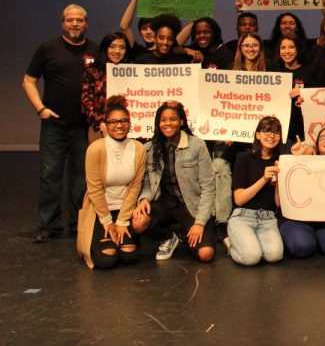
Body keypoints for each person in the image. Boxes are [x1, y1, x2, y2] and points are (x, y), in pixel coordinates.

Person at [24, 3, 98, 243]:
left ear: (86, 23)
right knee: (50, 175)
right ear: (63, 23)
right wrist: (40, 109)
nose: (75, 24)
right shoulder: (48, 49)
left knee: (81, 179)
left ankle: (78, 224)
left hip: (82, 126)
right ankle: (48, 225)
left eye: (79, 20)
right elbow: (28, 80)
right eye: (70, 20)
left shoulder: (95, 51)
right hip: (54, 125)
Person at [131, 102, 216, 263]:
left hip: (191, 207)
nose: (168, 124)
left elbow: (208, 188)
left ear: (181, 121)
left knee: (205, 254)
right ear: (158, 123)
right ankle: (169, 237)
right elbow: (148, 182)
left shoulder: (197, 145)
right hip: (165, 204)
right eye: (163, 120)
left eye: (173, 119)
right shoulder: (150, 148)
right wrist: (143, 199)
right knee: (138, 222)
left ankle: (187, 232)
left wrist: (199, 223)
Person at [76, 95, 146, 269]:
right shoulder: (96, 149)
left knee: (129, 256)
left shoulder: (138, 148)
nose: (119, 125)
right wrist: (107, 221)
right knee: (107, 259)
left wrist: (122, 221)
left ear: (130, 123)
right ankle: (104, 237)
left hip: (125, 210)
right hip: (100, 212)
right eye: (113, 122)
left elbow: (135, 187)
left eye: (124, 121)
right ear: (106, 125)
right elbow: (94, 189)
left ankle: (122, 237)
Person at [280, 127, 325, 257]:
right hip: (299, 218)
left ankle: (317, 236)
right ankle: (305, 236)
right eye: (323, 138)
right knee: (303, 247)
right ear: (317, 146)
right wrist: (296, 159)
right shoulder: (304, 162)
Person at [224, 116, 284, 266]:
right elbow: (239, 199)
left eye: (276, 133)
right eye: (266, 131)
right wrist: (264, 179)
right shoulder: (244, 158)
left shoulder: (281, 161)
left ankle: (251, 242)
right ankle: (230, 244)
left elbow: (277, 202)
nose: (271, 136)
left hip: (268, 218)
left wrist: (278, 180)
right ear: (257, 134)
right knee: (251, 258)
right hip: (243, 216)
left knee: (274, 256)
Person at [81, 31, 131, 140]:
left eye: (122, 47)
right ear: (105, 48)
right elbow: (87, 103)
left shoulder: (133, 72)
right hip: (100, 130)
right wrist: (100, 124)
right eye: (112, 47)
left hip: (128, 131)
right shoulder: (93, 72)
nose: (117, 51)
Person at [277, 35, 311, 143]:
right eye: (283, 48)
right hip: (281, 131)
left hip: (304, 130)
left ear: (298, 48)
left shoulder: (310, 71)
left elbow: (320, 95)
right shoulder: (276, 72)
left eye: (291, 47)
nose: (287, 51)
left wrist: (305, 93)